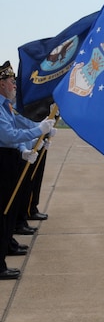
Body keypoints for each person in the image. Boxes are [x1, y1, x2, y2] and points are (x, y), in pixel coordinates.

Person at [0, 61, 54, 279]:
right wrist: (38, 131)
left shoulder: (7, 107)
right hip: (2, 161)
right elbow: (8, 135)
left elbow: (19, 126)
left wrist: (32, 142)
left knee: (10, 208)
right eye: (11, 82)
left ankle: (6, 246)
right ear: (1, 84)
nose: (14, 85)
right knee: (4, 208)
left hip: (9, 157)